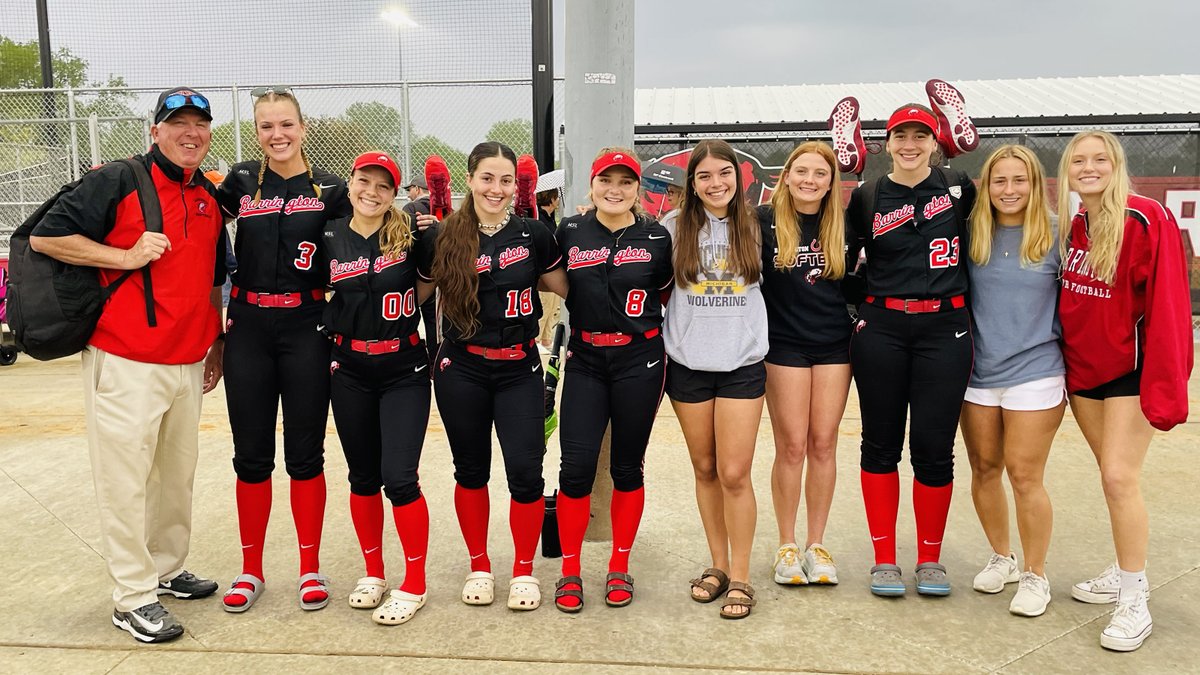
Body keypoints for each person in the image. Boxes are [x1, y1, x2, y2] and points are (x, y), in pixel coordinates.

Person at [29, 86, 225, 643]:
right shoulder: (117, 179)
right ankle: (132, 596)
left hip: (187, 360)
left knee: (175, 478)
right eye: (178, 123)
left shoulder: (208, 196)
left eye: (200, 124)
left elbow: (212, 278)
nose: (191, 133)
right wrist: (123, 256)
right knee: (125, 480)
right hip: (124, 358)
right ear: (155, 131)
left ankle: (165, 568)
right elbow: (46, 238)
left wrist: (216, 341)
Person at [214, 87, 351, 613]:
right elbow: (198, 219)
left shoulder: (332, 189)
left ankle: (309, 568)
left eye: (286, 124)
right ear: (257, 131)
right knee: (250, 456)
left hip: (307, 325)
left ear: (303, 126)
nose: (278, 135)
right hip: (247, 325)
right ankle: (251, 570)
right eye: (267, 126)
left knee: (305, 454)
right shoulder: (242, 181)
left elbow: (371, 232)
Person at [418, 141, 568, 611]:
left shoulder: (535, 234)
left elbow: (569, 288)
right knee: (471, 471)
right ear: (470, 180)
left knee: (526, 474)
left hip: (518, 366)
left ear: (517, 185)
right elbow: (411, 291)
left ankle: (523, 569)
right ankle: (479, 564)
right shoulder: (441, 235)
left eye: (506, 180)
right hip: (461, 366)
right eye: (487, 178)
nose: (496, 189)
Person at [1057, 130, 1192, 652]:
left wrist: (1167, 378)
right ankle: (1122, 568)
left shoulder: (1144, 216)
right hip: (1084, 372)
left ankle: (1134, 598)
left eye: (1100, 159)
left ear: (1117, 165)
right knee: (1111, 476)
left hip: (1130, 371)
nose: (1089, 168)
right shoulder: (1076, 223)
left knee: (1119, 476)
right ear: (1068, 169)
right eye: (1079, 161)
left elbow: (1170, 303)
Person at [846, 103, 976, 598]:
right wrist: (854, 317)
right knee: (880, 443)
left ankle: (929, 558)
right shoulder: (867, 195)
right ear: (887, 141)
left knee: (933, 447)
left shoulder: (960, 187)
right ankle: (884, 559)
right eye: (901, 135)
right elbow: (841, 260)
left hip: (944, 327)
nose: (910, 144)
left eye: (920, 135)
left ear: (935, 141)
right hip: (883, 328)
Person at [550, 148, 673, 613]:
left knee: (627, 466)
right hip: (584, 358)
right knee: (575, 467)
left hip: (638, 358)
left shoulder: (657, 237)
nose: (615, 190)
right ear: (592, 184)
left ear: (638, 189)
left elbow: (663, 291)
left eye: (625, 182)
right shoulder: (571, 231)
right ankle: (570, 568)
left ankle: (620, 564)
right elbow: (551, 278)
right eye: (606, 180)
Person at [322, 152, 435, 625]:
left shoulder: (413, 234)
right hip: (348, 367)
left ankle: (415, 582)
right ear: (350, 184)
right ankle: (373, 571)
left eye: (383, 186)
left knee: (400, 478)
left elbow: (428, 289)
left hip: (403, 365)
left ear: (394, 194)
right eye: (364, 181)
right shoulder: (327, 233)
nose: (371, 191)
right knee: (362, 476)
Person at [664, 139, 768, 619]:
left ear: (738, 175)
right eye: (704, 176)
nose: (715, 183)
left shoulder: (758, 225)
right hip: (688, 366)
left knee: (734, 473)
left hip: (741, 366)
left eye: (723, 173)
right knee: (704, 469)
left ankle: (743, 576)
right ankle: (719, 565)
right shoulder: (670, 229)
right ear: (692, 183)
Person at [960, 145, 1064, 617]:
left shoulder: (1057, 235)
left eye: (1018, 180)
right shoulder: (970, 234)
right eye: (999, 181)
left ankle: (1036, 576)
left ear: (1035, 184)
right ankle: (1002, 557)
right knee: (984, 468)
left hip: (1036, 370)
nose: (1009, 190)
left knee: (1024, 474)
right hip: (979, 371)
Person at [757, 141, 852, 587]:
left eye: (820, 173)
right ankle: (787, 544)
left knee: (824, 444)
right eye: (802, 171)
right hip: (785, 346)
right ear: (787, 175)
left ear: (831, 182)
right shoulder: (761, 222)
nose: (810, 180)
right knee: (792, 446)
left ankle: (817, 544)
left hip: (835, 345)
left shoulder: (843, 223)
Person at [402, 175, 440, 363]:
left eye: (410, 190)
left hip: (420, 275)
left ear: (417, 189)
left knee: (413, 320)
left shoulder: (411, 208)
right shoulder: (446, 208)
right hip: (444, 275)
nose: (409, 194)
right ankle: (437, 360)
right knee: (437, 324)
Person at [536, 184, 562, 352]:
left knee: (553, 306)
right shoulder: (540, 218)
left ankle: (546, 339)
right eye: (557, 197)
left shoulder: (550, 217)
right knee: (545, 304)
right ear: (551, 199)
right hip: (542, 269)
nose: (559, 200)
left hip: (552, 266)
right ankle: (537, 338)